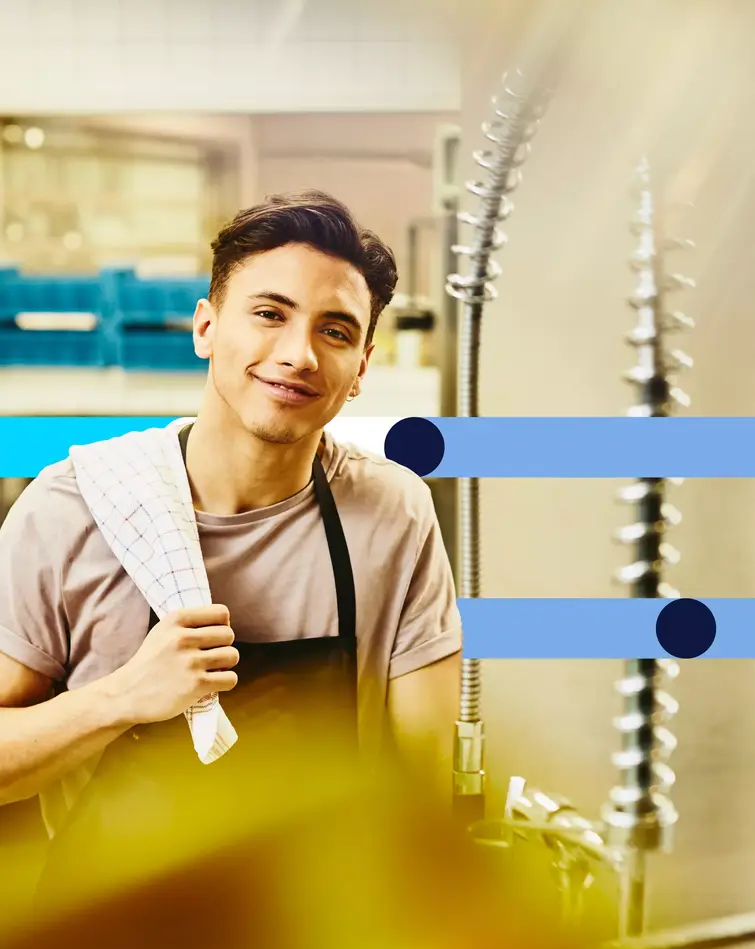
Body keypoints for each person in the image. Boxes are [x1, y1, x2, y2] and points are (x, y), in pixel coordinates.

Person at [0, 191, 463, 890]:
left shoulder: (392, 514)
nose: (298, 354)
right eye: (269, 314)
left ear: (361, 368)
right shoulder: (72, 508)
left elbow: (423, 786)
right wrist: (124, 697)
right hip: (109, 940)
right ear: (207, 328)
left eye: (335, 332)